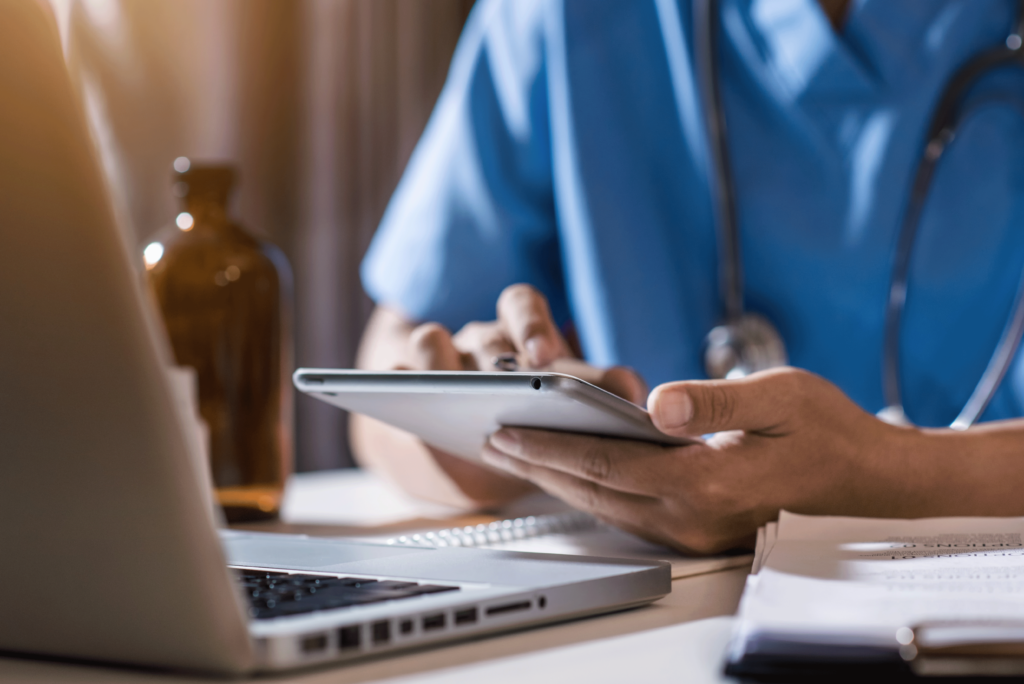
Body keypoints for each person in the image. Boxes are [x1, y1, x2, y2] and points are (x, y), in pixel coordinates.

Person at [353, 0, 1024, 553]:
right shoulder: (561, 16)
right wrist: (484, 434)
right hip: (656, 624)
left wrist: (891, 478)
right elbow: (388, 364)